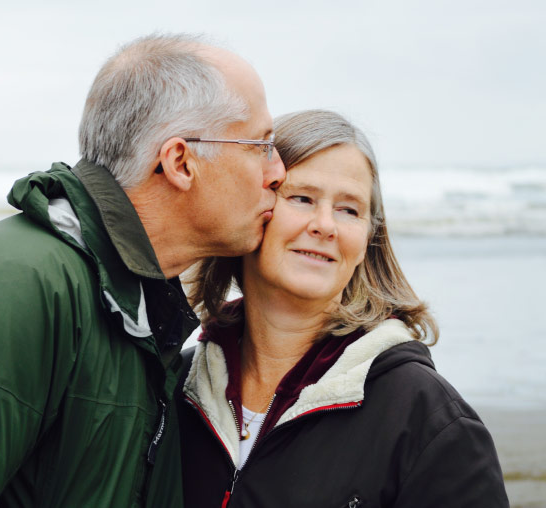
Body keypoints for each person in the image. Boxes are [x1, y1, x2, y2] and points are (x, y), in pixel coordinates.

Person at [0, 34, 286, 507]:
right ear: (180, 162)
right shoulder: (14, 282)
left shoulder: (139, 306)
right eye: (260, 145)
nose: (277, 171)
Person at [177, 109, 508, 507]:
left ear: (369, 237)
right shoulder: (177, 387)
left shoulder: (428, 419)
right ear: (254, 206)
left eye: (349, 209)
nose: (325, 225)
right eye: (301, 198)